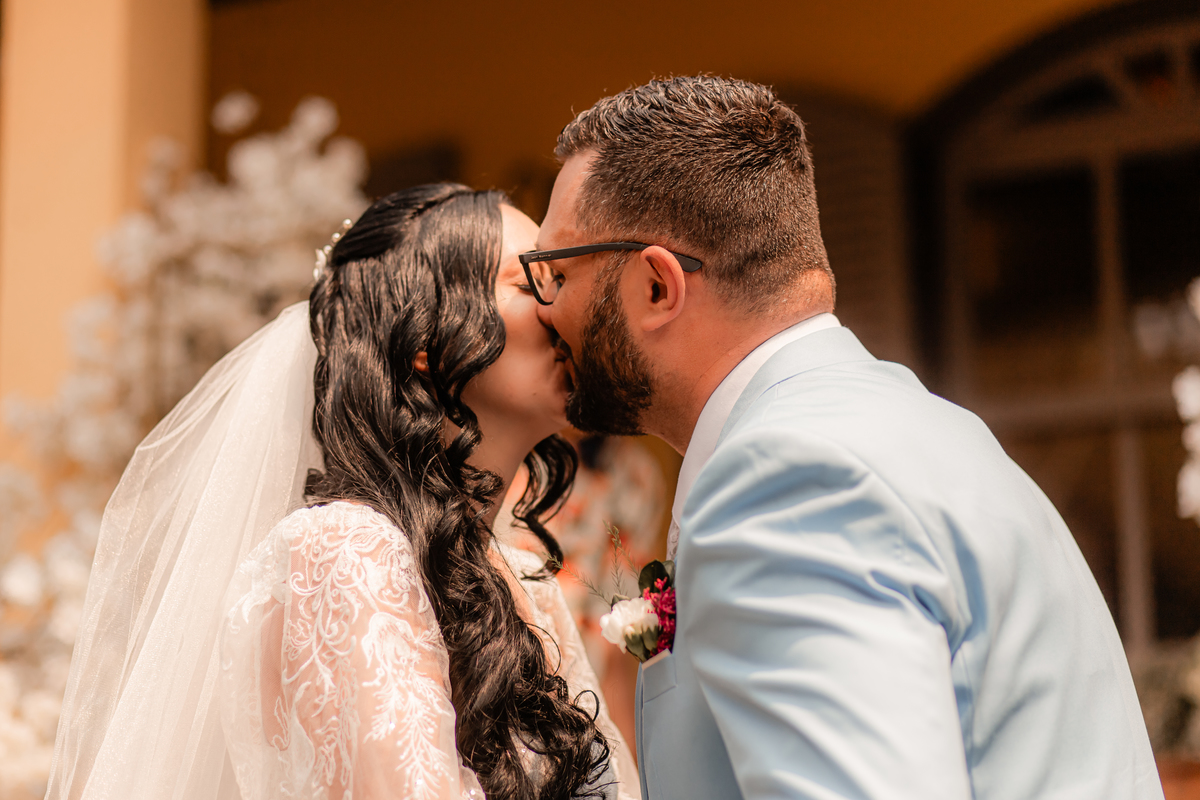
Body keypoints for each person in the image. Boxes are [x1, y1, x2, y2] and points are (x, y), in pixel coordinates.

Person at [524, 76, 1163, 799]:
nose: (542, 308)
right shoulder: (933, 429)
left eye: (553, 272)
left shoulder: (787, 479)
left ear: (656, 289)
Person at [46, 184, 639, 800]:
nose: (562, 311)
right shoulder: (348, 551)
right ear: (421, 340)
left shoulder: (521, 580)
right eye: (529, 284)